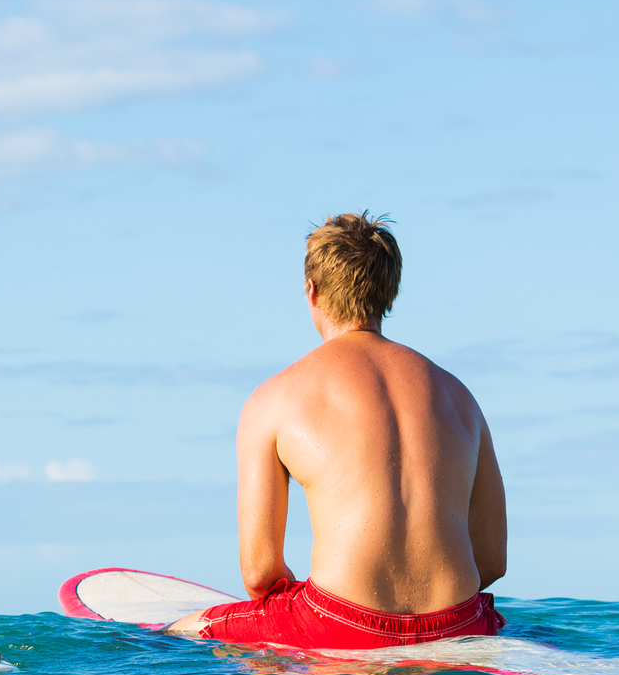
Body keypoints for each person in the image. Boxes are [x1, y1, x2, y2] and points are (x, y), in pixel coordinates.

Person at [167, 212, 507, 649]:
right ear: (389, 290)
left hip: (341, 624)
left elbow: (259, 575)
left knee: (177, 632)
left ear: (312, 290)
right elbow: (492, 561)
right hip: (460, 624)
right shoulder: (461, 398)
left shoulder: (275, 399)